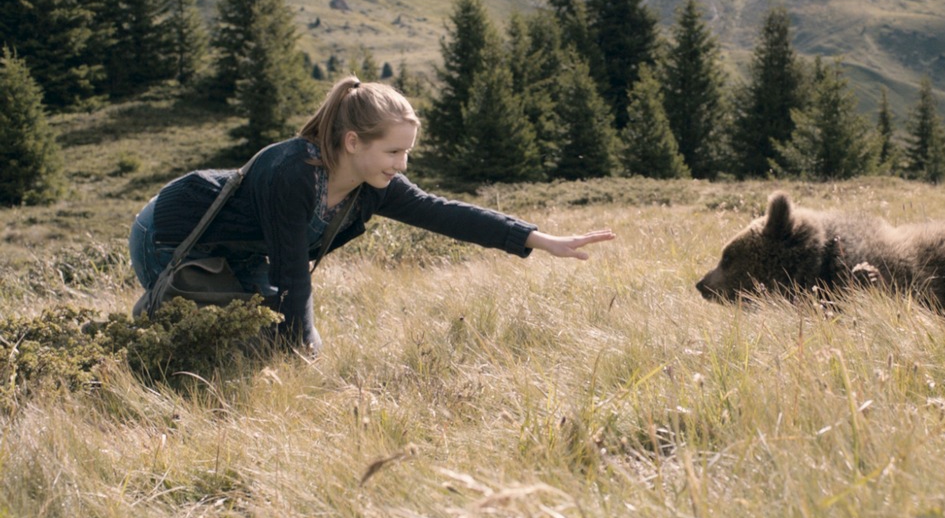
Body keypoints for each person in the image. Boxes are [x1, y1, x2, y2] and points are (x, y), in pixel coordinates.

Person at [129, 76, 615, 354]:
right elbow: (292, 273)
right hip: (174, 235)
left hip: (239, 252)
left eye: (407, 153)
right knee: (236, 345)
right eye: (394, 152)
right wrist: (301, 347)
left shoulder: (373, 186)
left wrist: (538, 239)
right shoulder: (293, 173)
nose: (402, 165)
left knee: (264, 343)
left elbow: (444, 213)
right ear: (353, 142)